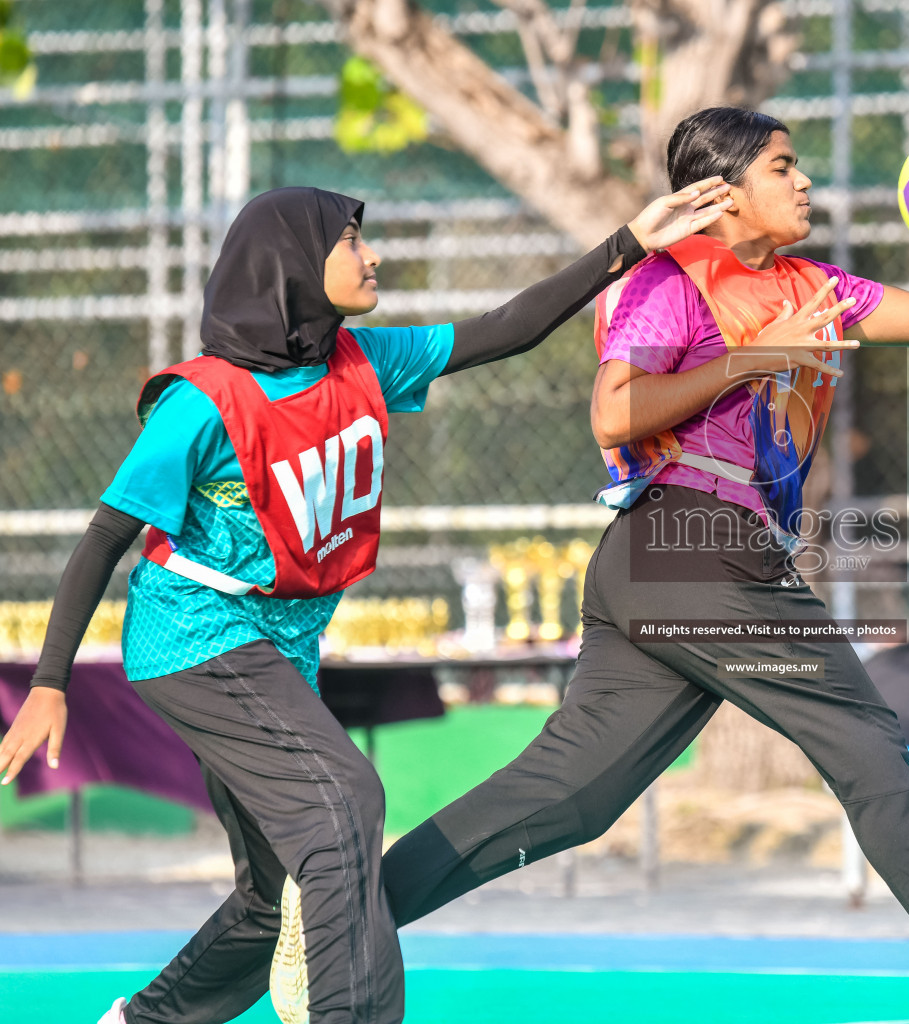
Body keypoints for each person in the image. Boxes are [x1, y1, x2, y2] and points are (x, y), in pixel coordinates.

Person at [375, 108, 909, 1024]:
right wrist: (758, 356)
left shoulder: (818, 286)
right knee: (866, 743)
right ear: (722, 192)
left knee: (571, 797)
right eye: (783, 166)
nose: (805, 182)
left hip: (679, 565)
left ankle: (340, 914)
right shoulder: (668, 278)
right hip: (690, 546)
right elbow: (616, 414)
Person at [0, 180, 736, 1024]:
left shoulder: (361, 363)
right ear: (294, 267)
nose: (371, 254)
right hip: (195, 636)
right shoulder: (203, 403)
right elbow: (103, 538)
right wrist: (50, 682)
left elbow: (509, 329)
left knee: (276, 895)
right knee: (345, 801)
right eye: (351, 241)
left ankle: (143, 1021)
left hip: (279, 644)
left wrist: (630, 241)